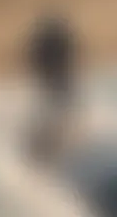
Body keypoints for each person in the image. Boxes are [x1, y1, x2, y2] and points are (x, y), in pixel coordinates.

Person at [26, 12, 78, 161]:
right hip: (58, 81)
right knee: (56, 115)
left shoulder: (46, 42)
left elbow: (36, 59)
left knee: (51, 115)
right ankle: (46, 149)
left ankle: (44, 150)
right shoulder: (57, 41)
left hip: (53, 81)